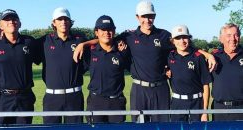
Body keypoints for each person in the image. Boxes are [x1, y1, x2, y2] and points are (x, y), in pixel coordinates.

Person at [74, 1, 216, 123]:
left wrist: (206, 54)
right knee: (139, 129)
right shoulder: (129, 36)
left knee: (162, 128)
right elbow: (105, 39)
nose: (147, 20)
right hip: (139, 90)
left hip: (160, 89)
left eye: (150, 16)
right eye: (144, 16)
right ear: (137, 17)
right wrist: (84, 44)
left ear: (154, 17)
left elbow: (183, 44)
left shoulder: (164, 35)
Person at [0, 9, 39, 125]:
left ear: (20, 23)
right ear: (1, 25)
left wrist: (83, 44)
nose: (11, 21)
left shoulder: (29, 42)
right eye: (7, 19)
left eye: (14, 19)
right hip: (0, 98)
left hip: (24, 97)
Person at [37, 7, 86, 124]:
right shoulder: (44, 41)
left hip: (74, 96)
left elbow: (101, 40)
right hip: (52, 97)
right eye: (59, 19)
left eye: (66, 19)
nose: (63, 22)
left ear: (70, 22)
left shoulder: (79, 40)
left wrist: (85, 43)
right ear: (54, 22)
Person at [83, 15, 129, 123]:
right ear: (96, 32)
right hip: (95, 102)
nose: (106, 33)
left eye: (110, 29)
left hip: (116, 102)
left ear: (114, 31)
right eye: (103, 30)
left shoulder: (123, 50)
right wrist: (82, 45)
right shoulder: (89, 52)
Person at [168, 25, 211, 122]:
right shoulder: (170, 56)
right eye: (178, 38)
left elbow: (206, 85)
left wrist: (205, 112)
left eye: (185, 37)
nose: (182, 41)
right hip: (177, 103)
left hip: (196, 102)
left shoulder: (198, 57)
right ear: (173, 41)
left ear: (189, 38)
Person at [211, 23, 243, 121]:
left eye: (236, 35)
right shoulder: (214, 57)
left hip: (241, 109)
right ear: (221, 39)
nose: (233, 39)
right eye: (228, 35)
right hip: (219, 109)